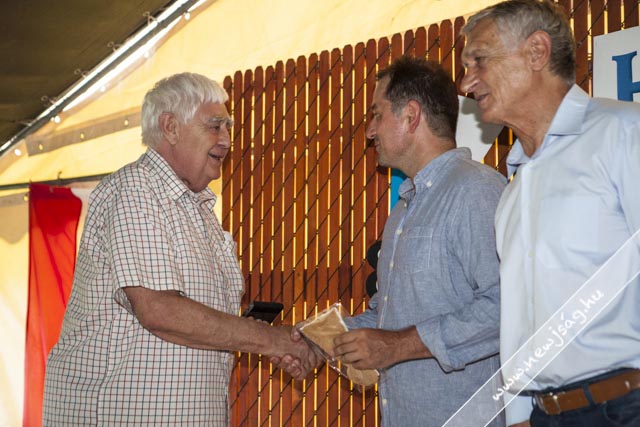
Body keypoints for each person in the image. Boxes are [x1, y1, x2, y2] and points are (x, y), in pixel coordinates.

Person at [42, 72, 317, 426]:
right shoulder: (137, 189)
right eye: (214, 126)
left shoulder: (200, 210)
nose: (227, 139)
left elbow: (199, 322)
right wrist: (272, 340)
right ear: (170, 127)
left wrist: (268, 339)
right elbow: (159, 310)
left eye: (228, 127)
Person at [280, 56, 506, 426]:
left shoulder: (476, 190)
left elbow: (505, 309)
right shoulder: (403, 209)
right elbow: (389, 321)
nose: (370, 131)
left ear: (411, 116)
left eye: (377, 115)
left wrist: (397, 346)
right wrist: (321, 341)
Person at [461, 1, 640, 426]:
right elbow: (520, 323)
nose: (466, 82)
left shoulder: (624, 133)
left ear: (537, 52)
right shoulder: (512, 192)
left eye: (479, 60)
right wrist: (520, 414)